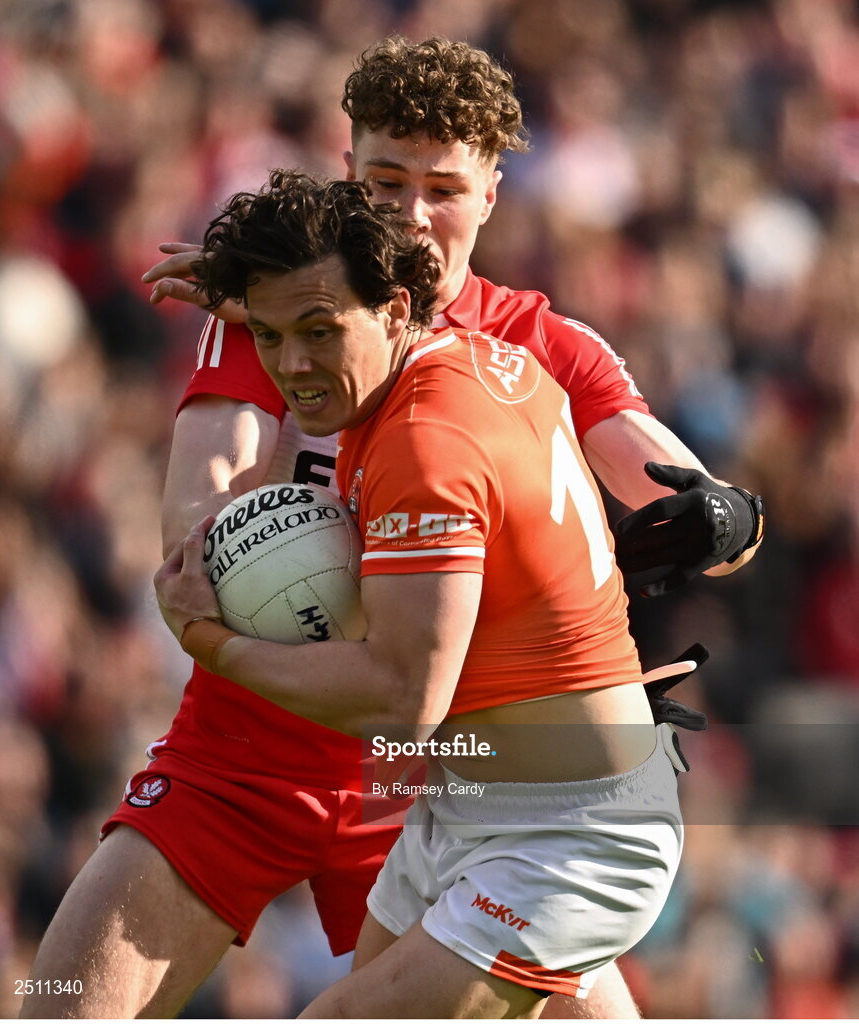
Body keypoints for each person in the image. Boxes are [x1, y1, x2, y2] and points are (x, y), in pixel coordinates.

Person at [21, 37, 763, 1019]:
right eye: (384, 180)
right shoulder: (268, 314)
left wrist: (721, 515)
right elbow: (199, 528)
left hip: (458, 775)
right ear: (346, 172)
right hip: (254, 749)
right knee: (62, 1004)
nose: (412, 212)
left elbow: (678, 484)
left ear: (493, 193)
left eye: (443, 187)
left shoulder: (536, 344)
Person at [153, 168, 686, 1018]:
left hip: (570, 839)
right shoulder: (457, 363)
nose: (293, 365)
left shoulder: (423, 442)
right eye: (269, 334)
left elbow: (404, 702)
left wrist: (209, 642)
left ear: (395, 310)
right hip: (472, 805)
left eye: (318, 330)